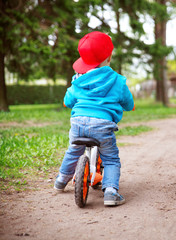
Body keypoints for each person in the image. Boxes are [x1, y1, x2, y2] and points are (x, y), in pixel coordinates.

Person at [54, 31, 134, 206]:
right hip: (102, 125)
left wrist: (68, 102)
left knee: (73, 151)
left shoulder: (78, 80)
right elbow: (128, 102)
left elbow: (68, 100)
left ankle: (61, 180)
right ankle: (111, 192)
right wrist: (130, 106)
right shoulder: (117, 81)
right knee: (111, 159)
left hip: (78, 123)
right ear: (109, 56)